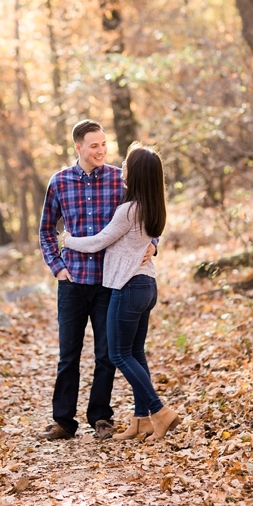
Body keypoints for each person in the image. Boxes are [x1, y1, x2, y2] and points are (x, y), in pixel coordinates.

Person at [38, 119, 156, 441]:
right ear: (78, 147)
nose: (101, 150)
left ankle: (101, 418)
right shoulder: (59, 182)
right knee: (68, 355)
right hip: (72, 282)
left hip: (110, 282)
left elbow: (147, 215)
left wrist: (152, 245)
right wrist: (57, 267)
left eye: (104, 144)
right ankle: (63, 422)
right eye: (94, 145)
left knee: (106, 354)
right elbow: (47, 230)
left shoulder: (121, 180)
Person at [61, 143, 180, 441]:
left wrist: (68, 240)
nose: (122, 165)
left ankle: (159, 411)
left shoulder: (128, 210)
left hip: (127, 287)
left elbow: (99, 241)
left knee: (118, 353)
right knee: (135, 353)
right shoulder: (154, 207)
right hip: (146, 286)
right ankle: (141, 421)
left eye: (127, 162)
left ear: (135, 172)